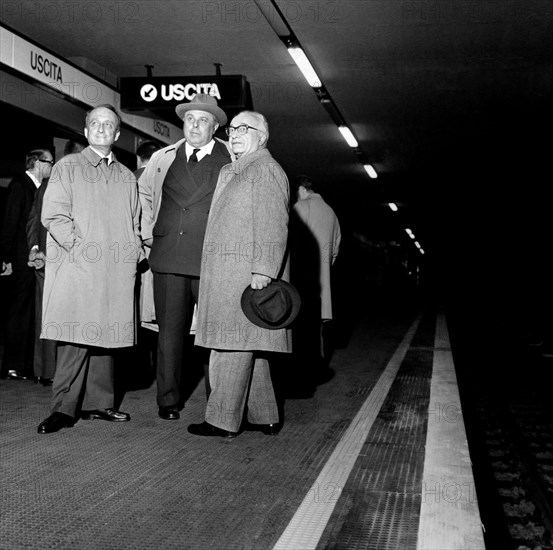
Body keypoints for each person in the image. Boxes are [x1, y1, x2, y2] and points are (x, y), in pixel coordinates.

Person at [37, 104, 143, 434]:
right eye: (94, 123)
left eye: (107, 124)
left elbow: (135, 222)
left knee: (106, 338)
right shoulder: (68, 166)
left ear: (117, 134)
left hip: (114, 270)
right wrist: (78, 248)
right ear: (85, 131)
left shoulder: (126, 175)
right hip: (79, 268)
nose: (100, 128)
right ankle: (63, 409)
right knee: (75, 338)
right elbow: (53, 215)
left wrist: (133, 254)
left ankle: (99, 403)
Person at [188, 110, 291, 439]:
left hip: (243, 275)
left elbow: (274, 221)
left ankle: (221, 421)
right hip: (228, 274)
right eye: (232, 129)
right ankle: (265, 416)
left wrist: (263, 269)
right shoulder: (234, 169)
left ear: (262, 136)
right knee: (247, 344)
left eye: (244, 129)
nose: (234, 134)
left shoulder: (265, 169)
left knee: (228, 347)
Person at [138, 93, 231, 421]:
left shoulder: (231, 158)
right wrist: (148, 233)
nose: (195, 125)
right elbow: (143, 195)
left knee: (213, 336)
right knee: (170, 335)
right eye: (190, 119)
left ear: (215, 126)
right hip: (168, 257)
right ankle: (168, 401)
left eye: (203, 120)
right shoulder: (163, 157)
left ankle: (218, 402)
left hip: (212, 262)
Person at [0, 149, 54, 381]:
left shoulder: (36, 186)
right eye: (50, 162)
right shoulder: (20, 185)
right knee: (19, 312)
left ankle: (25, 364)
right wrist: (4, 257)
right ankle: (12, 365)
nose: (52, 166)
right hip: (21, 261)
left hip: (31, 260)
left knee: (29, 312)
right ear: (36, 163)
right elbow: (10, 222)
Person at [290, 175, 341, 367]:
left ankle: (300, 372)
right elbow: (335, 251)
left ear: (302, 190)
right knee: (316, 329)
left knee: (299, 330)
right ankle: (316, 368)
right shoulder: (331, 213)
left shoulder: (302, 207)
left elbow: (291, 243)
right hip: (322, 283)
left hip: (300, 281)